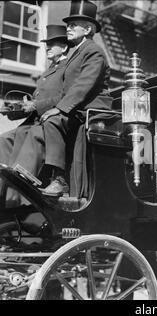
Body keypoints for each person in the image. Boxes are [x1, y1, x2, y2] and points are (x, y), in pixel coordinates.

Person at [11, 0, 112, 197]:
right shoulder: (78, 52)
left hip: (92, 108)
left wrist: (59, 108)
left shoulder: (94, 51)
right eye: (68, 24)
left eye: (74, 24)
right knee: (41, 123)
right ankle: (25, 176)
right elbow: (67, 90)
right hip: (79, 106)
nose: (69, 28)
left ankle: (60, 179)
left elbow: (83, 85)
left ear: (88, 28)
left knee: (53, 120)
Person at [0, 25, 71, 206]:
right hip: (35, 121)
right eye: (47, 44)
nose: (47, 47)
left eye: (52, 44)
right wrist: (18, 108)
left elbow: (66, 97)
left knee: (30, 138)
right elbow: (35, 100)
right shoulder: (47, 72)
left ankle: (20, 198)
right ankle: (3, 189)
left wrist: (35, 105)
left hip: (52, 122)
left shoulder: (69, 68)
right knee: (5, 138)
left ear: (63, 47)